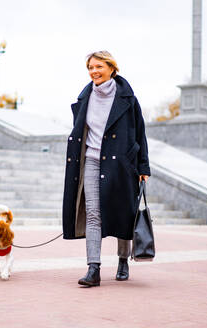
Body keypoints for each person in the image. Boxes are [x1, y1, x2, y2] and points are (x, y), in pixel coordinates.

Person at [62, 51, 150, 287]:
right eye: (90, 67)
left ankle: (123, 259)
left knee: (124, 212)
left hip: (121, 162)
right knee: (93, 213)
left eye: (98, 66)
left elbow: (140, 132)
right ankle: (94, 268)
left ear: (112, 68)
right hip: (92, 159)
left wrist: (143, 166)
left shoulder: (128, 98)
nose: (93, 72)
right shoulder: (85, 98)